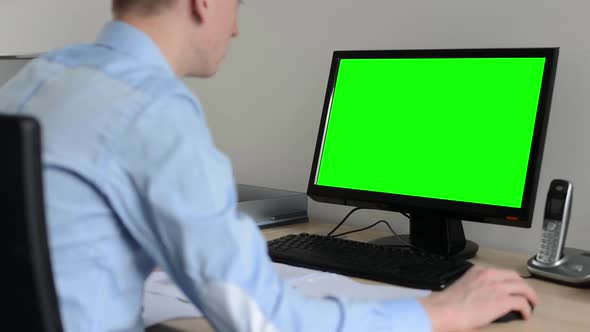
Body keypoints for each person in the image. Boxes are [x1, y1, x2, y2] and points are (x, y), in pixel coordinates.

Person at [0, 0, 539, 331]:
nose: (235, 28)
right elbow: (263, 319)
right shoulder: (151, 109)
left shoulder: (41, 76)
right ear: (202, 2)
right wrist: (440, 314)